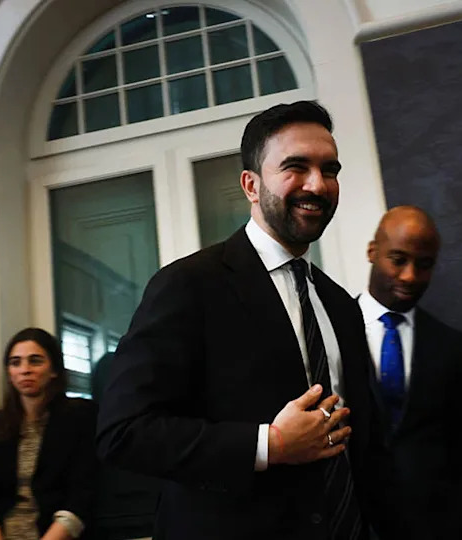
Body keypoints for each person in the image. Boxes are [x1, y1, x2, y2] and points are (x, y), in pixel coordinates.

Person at [96, 101, 397, 540]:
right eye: (296, 167)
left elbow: (363, 446)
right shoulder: (189, 285)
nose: (318, 184)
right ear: (251, 185)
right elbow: (123, 432)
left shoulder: (338, 305)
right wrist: (269, 444)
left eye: (329, 170)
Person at [358, 206, 462, 540]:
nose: (409, 276)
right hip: (354, 524)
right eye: (398, 259)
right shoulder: (329, 330)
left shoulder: (449, 345)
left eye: (424, 264)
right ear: (373, 252)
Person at [0, 328, 97, 540]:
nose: (25, 370)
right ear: (9, 374)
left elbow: (82, 497)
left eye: (35, 361)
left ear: (54, 369)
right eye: (15, 362)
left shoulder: (80, 416)